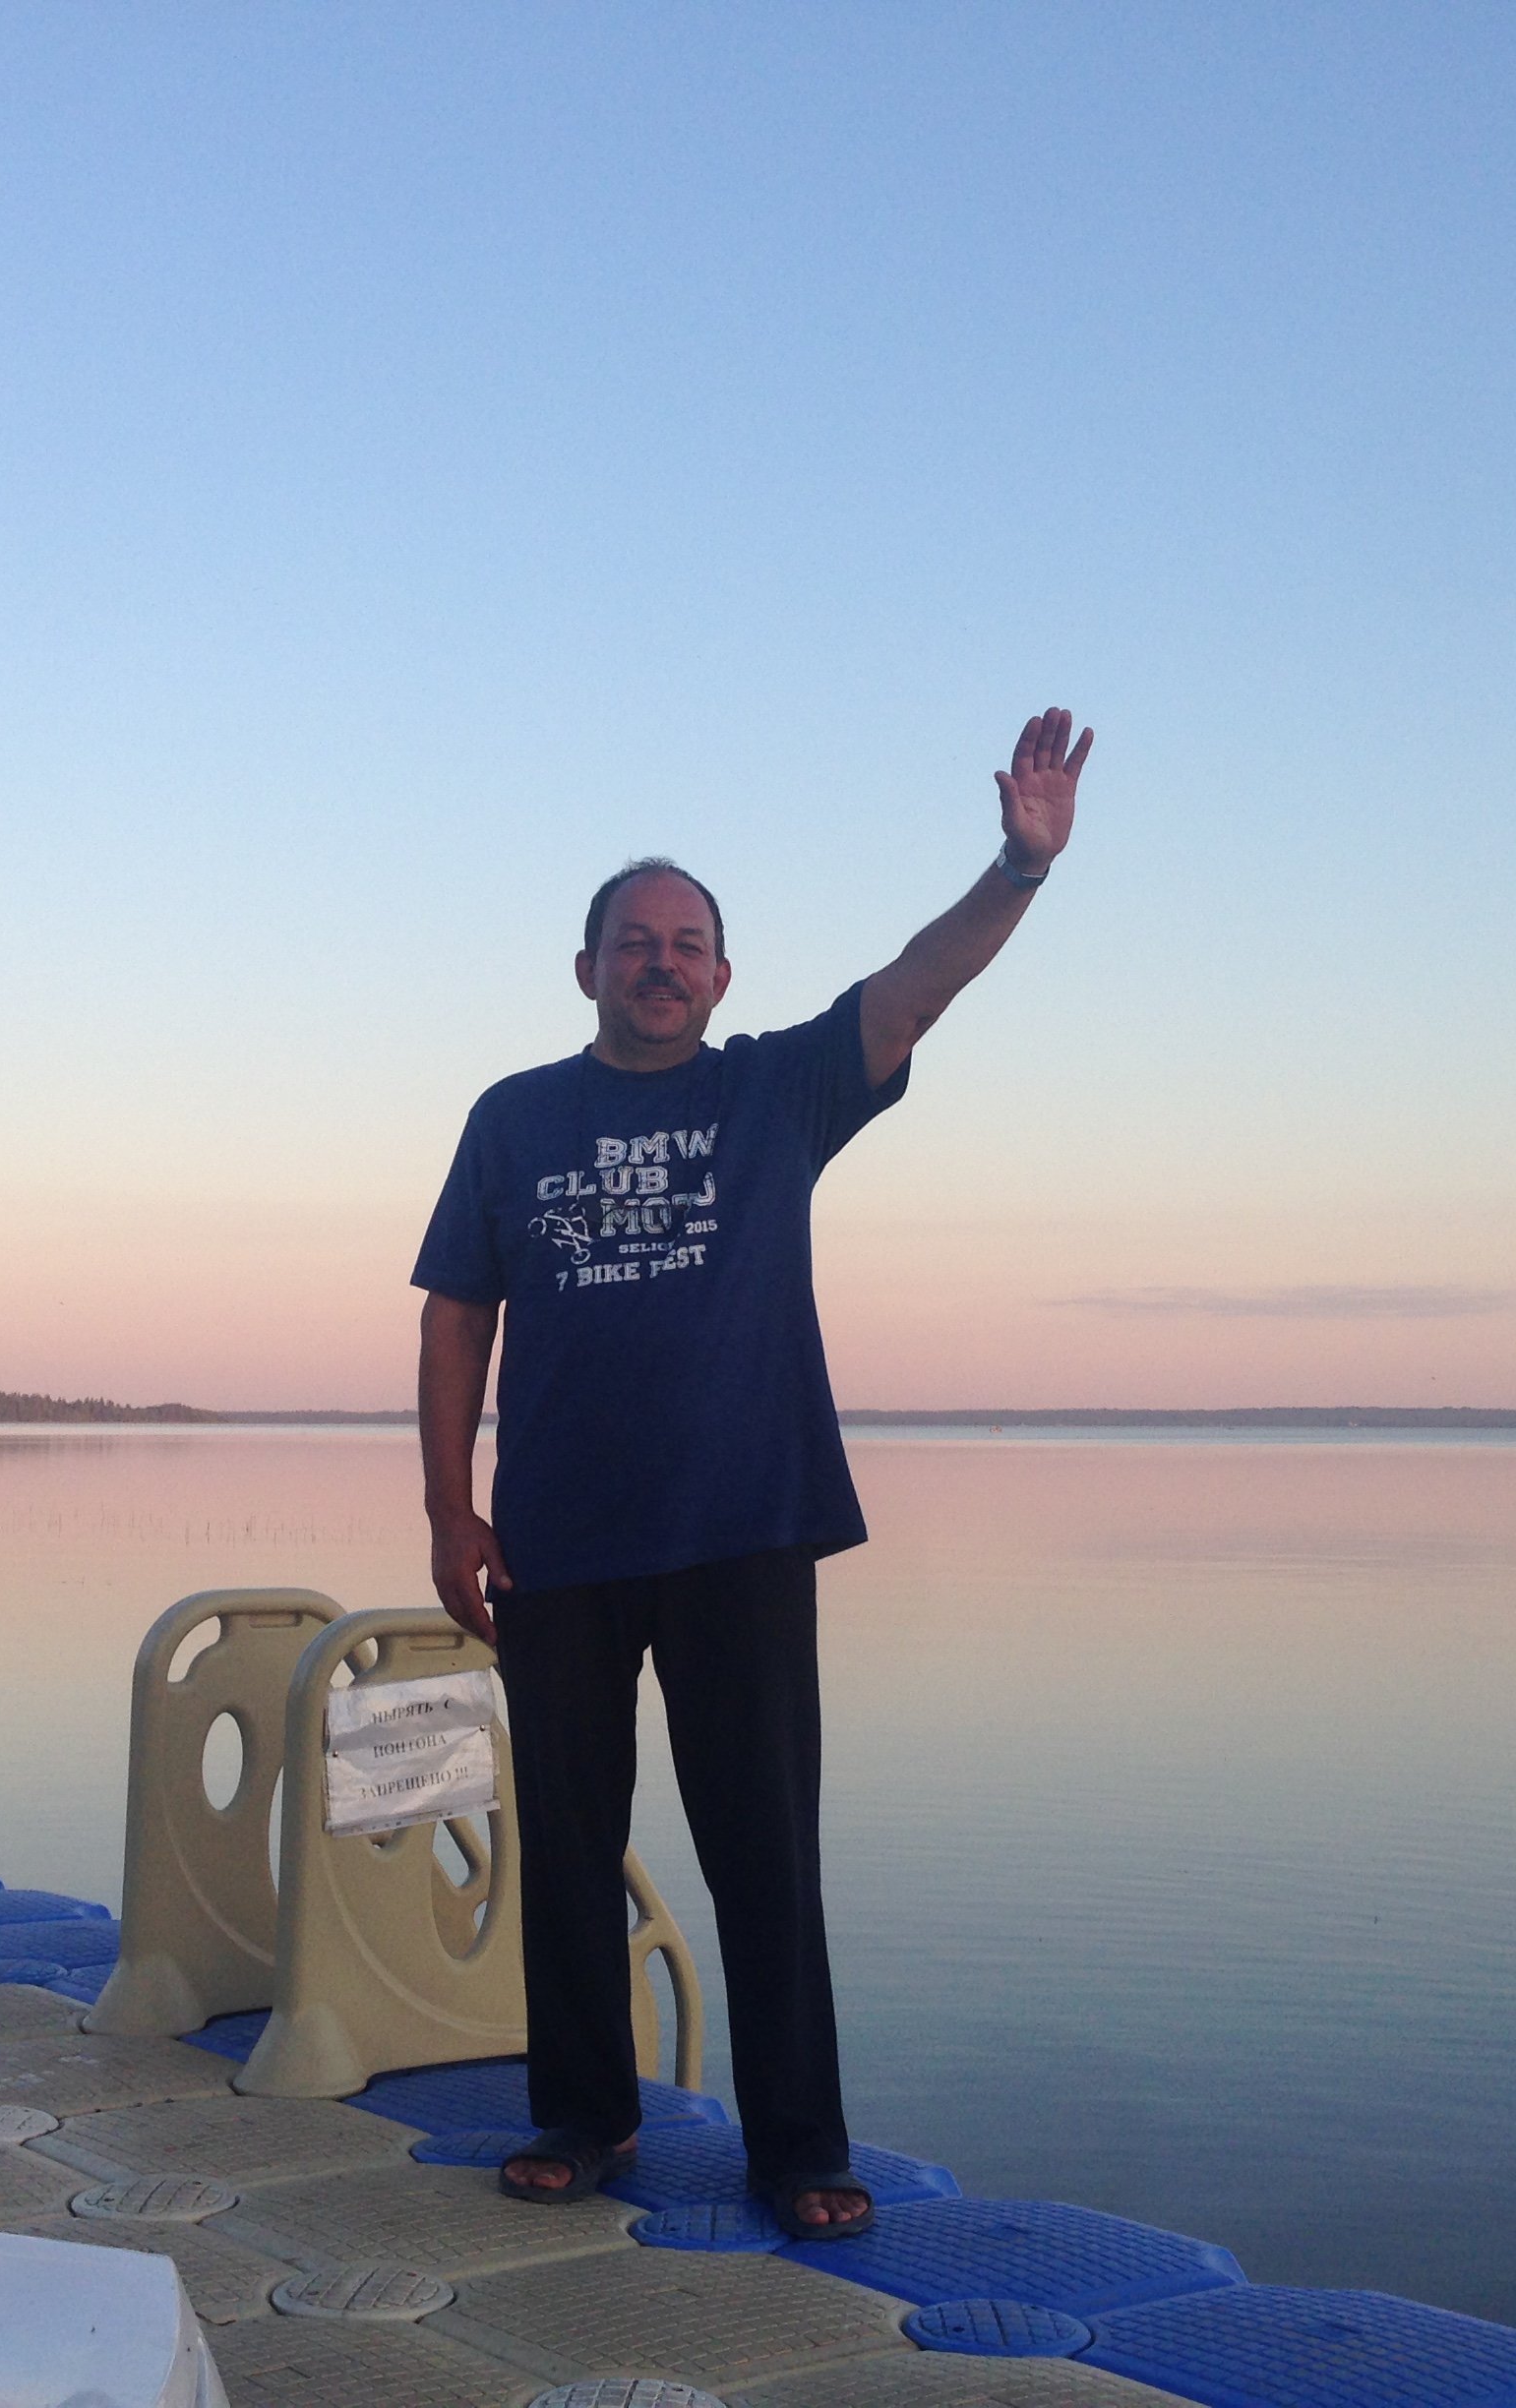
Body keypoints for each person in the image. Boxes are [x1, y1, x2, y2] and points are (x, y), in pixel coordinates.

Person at [409, 707, 1093, 2241]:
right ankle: (585, 2115)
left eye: (688, 945)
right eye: (634, 943)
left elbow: (917, 985)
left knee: (765, 1855)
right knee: (567, 1848)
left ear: (723, 977)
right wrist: (452, 1508)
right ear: (585, 969)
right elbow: (459, 1312)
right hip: (558, 1544)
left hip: (745, 1532)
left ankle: (798, 2148)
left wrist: (1019, 868)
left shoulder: (777, 1092)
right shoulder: (513, 1118)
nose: (661, 963)